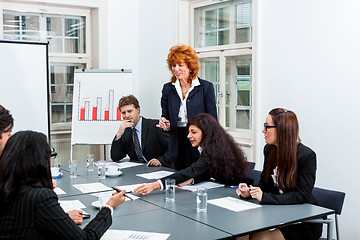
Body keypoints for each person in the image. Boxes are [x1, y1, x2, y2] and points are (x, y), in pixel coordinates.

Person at [0, 130, 126, 239]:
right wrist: (109, 206)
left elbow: (24, 222)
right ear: (40, 161)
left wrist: (62, 219)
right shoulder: (40, 197)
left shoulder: (7, 187)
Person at [236, 108, 322, 240]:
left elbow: (301, 195)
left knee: (261, 237)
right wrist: (250, 192)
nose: (263, 130)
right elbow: (265, 184)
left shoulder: (306, 156)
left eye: (267, 127)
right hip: (278, 215)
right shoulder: (269, 149)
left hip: (302, 222)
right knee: (241, 233)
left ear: (282, 129)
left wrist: (265, 197)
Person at [133, 113, 252, 195]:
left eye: (193, 132)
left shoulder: (212, 151)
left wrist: (155, 185)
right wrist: (192, 181)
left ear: (206, 133)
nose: (189, 136)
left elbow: (191, 171)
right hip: (223, 190)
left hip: (235, 192)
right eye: (189, 132)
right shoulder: (213, 147)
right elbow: (207, 171)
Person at [157, 45, 217, 170]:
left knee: (197, 177)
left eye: (180, 65)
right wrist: (165, 123)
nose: (176, 69)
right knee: (180, 179)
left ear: (190, 66)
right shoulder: (168, 89)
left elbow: (212, 121)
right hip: (177, 141)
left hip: (198, 141)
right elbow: (166, 116)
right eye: (173, 65)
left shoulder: (205, 87)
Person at [110, 95, 172, 168]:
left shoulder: (154, 126)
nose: (126, 115)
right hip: (138, 171)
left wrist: (160, 161)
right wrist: (119, 134)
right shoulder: (126, 131)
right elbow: (115, 157)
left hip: (160, 169)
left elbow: (172, 148)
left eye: (129, 111)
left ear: (138, 110)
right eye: (123, 113)